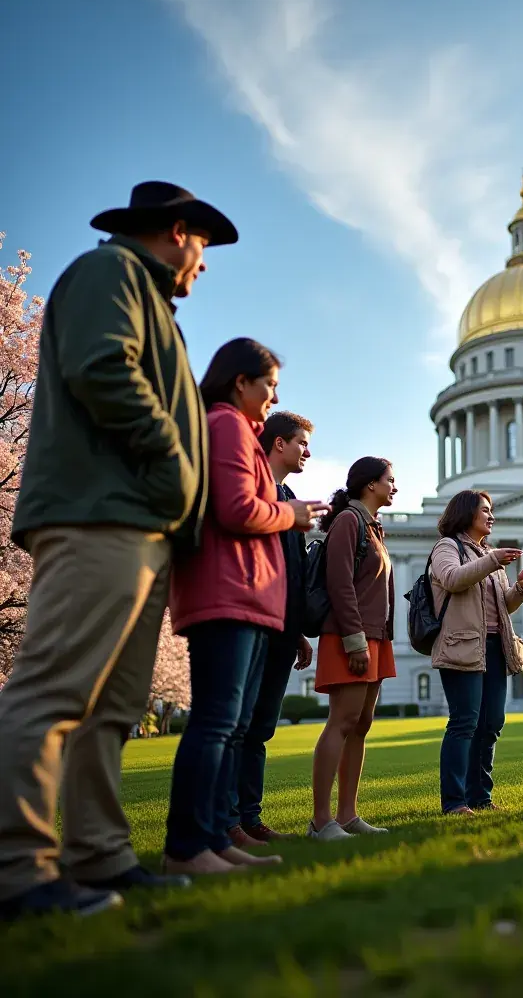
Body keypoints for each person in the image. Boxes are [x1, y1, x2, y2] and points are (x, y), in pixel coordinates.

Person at [0, 182, 235, 921]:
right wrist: (174, 463)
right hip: (101, 513)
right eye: (203, 247)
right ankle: (15, 868)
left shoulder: (145, 296)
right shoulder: (112, 274)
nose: (203, 265)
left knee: (111, 705)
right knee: (56, 687)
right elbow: (104, 369)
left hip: (139, 522)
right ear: (176, 232)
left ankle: (100, 856)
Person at [163, 339, 327, 875]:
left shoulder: (233, 430)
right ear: (241, 382)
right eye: (270, 384)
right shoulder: (228, 425)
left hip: (241, 595)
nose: (273, 395)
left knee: (230, 726)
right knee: (216, 724)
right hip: (227, 592)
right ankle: (189, 846)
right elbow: (236, 510)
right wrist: (293, 516)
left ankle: (212, 838)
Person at [229, 412, 316, 846]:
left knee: (261, 726)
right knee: (239, 723)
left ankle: (249, 817)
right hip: (255, 621)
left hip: (283, 626)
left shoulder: (288, 494)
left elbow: (292, 570)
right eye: (301, 443)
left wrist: (297, 629)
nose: (308, 451)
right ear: (279, 444)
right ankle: (227, 821)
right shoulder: (253, 489)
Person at [308, 457, 397, 841]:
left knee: (361, 724)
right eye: (390, 480)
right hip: (351, 638)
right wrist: (355, 640)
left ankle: (347, 815)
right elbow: (340, 583)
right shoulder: (349, 521)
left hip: (375, 637)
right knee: (342, 722)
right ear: (370, 485)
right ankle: (320, 821)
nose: (394, 486)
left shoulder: (375, 527)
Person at [430, 490, 523, 815]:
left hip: (494, 646)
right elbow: (450, 579)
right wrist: (491, 562)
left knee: (491, 724)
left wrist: (520, 588)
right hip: (462, 645)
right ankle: (454, 801)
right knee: (464, 722)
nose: (491, 516)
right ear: (466, 513)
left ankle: (480, 797)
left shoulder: (489, 553)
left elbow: (503, 605)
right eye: (485, 510)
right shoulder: (448, 547)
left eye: (491, 511)